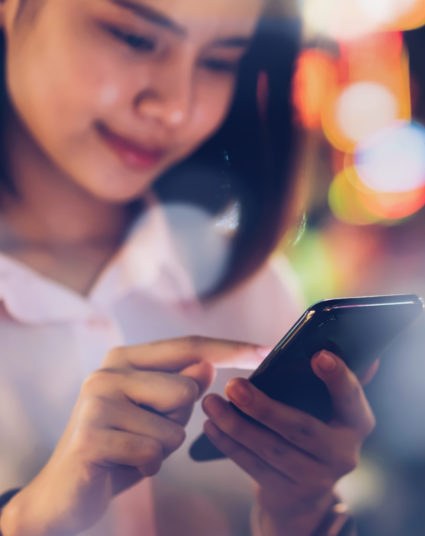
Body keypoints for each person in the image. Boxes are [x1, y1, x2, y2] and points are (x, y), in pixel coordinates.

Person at [0, 0, 376, 535]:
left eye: (220, 62)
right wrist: (25, 521)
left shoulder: (252, 294)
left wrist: (300, 514)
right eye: (133, 38)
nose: (176, 107)